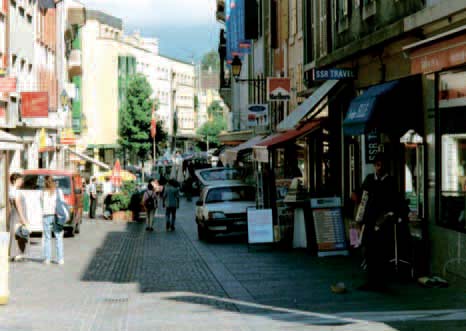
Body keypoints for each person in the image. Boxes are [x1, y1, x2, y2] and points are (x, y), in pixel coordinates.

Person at [358, 153, 398, 291]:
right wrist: (359, 217)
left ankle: (381, 283)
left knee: (382, 252)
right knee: (369, 251)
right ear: (374, 166)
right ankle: (370, 281)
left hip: (383, 221)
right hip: (369, 220)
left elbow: (393, 203)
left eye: (381, 165)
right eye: (377, 165)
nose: (379, 168)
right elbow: (362, 198)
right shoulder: (369, 179)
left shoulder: (391, 181)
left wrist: (384, 219)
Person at [41, 176, 65, 265]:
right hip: (56, 215)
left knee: (47, 238)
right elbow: (62, 203)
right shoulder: (58, 191)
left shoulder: (43, 192)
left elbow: (41, 204)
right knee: (58, 237)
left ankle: (47, 259)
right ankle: (60, 259)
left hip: (46, 216)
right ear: (54, 182)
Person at [8, 173, 29, 262]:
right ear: (14, 181)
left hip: (13, 215)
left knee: (15, 234)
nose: (21, 181)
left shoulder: (11, 191)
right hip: (18, 215)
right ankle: (18, 254)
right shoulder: (16, 192)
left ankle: (14, 254)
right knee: (21, 234)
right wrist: (23, 219)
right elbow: (19, 206)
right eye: (20, 180)